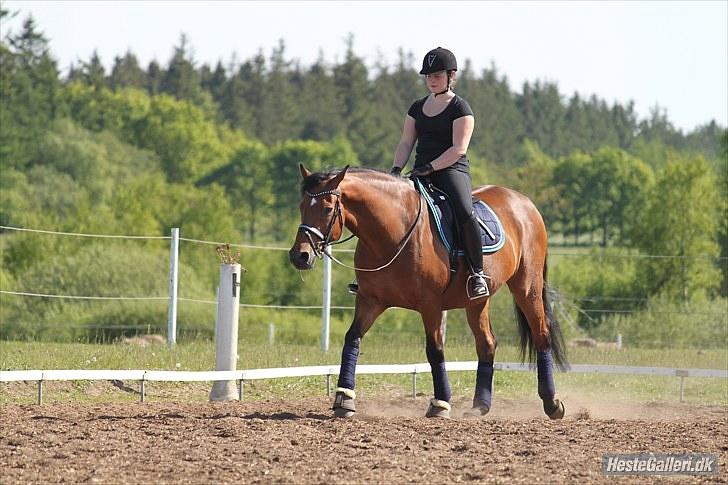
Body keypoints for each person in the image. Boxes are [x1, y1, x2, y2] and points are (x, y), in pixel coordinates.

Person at [349, 46, 488, 298]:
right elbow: (405, 142)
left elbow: (458, 149)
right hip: (418, 172)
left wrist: (430, 167)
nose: (431, 81)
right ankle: (371, 276)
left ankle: (477, 273)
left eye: (436, 76)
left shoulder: (461, 108)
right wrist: (395, 170)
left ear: (450, 76)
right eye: (428, 76)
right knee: (384, 212)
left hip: (450, 170)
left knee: (464, 210)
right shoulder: (416, 107)